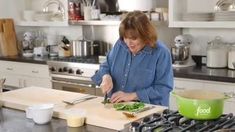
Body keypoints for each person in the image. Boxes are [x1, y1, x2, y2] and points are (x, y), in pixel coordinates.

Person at [91, 11, 173, 106]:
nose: (129, 43)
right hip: (116, 109)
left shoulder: (161, 52)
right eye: (126, 37)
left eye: (133, 38)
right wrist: (106, 76)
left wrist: (132, 96)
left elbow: (164, 87)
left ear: (145, 35)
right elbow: (106, 65)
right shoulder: (120, 44)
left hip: (149, 113)